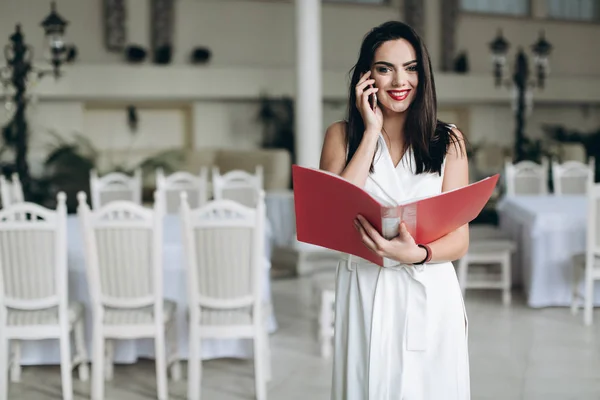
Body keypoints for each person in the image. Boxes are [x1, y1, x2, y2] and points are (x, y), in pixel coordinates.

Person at [319, 21, 470, 399]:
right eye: (385, 68)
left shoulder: (447, 141)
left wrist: (417, 254)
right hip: (364, 287)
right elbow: (331, 216)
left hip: (429, 289)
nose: (400, 80)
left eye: (411, 67)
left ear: (423, 74)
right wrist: (370, 133)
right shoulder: (342, 135)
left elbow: (460, 239)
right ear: (367, 77)